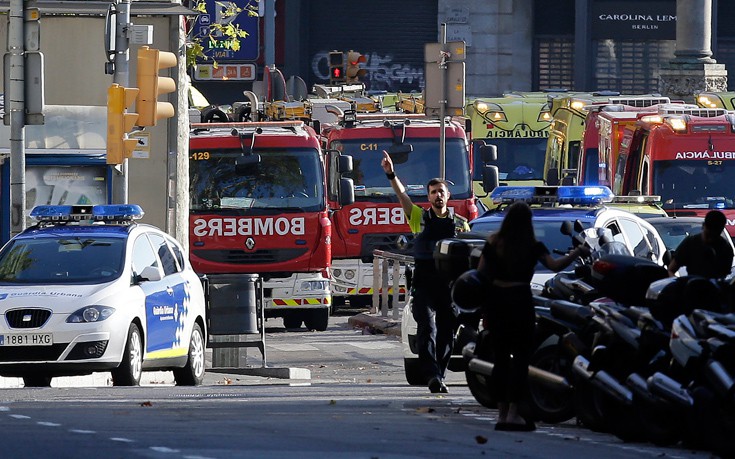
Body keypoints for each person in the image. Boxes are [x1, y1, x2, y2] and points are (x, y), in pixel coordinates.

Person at [477, 201, 589, 431]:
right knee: (520, 359)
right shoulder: (532, 245)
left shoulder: (494, 242)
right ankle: (514, 414)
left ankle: (501, 414)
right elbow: (555, 265)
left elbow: (480, 272)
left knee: (500, 360)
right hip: (520, 301)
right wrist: (577, 252)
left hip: (497, 302)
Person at [382, 150, 469, 394]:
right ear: (428, 197)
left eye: (441, 191)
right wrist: (391, 174)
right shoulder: (418, 217)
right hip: (424, 285)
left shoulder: (461, 223)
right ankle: (431, 374)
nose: (438, 195)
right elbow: (402, 195)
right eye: (433, 192)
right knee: (427, 329)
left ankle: (440, 374)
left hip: (449, 287)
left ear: (448, 195)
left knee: (446, 332)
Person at [667, 210, 734, 278]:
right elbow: (671, 270)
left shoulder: (726, 248)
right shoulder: (690, 243)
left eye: (714, 236)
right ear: (703, 226)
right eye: (708, 235)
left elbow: (724, 275)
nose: (710, 240)